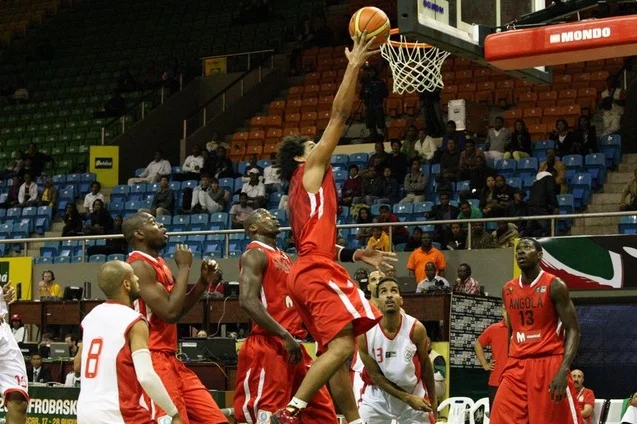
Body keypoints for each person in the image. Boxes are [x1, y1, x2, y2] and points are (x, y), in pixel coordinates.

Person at [272, 32, 391, 424]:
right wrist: (354, 64)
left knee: (337, 350)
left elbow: (316, 242)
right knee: (341, 349)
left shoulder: (300, 194)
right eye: (312, 144)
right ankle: (291, 411)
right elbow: (339, 116)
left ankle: (351, 420)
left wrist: (355, 253)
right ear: (301, 156)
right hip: (315, 271)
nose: (319, 145)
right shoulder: (310, 170)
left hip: (306, 269)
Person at [234, 209, 338, 424]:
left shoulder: (283, 256)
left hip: (294, 343)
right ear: (252, 227)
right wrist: (283, 335)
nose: (273, 217)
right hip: (270, 343)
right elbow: (247, 300)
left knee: (322, 414)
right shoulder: (254, 254)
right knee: (267, 416)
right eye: (265, 216)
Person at [123, 212, 228, 423]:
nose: (161, 225)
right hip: (152, 356)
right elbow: (169, 313)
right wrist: (184, 268)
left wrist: (201, 283)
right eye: (153, 222)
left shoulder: (158, 262)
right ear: (139, 233)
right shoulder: (138, 266)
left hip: (171, 357)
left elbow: (177, 310)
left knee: (216, 420)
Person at [75, 261, 184, 424]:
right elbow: (146, 376)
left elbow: (77, 366)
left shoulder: (90, 317)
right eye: (133, 276)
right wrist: (173, 412)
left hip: (85, 412)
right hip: (119, 412)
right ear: (126, 284)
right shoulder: (134, 320)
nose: (137, 279)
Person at [491, 238, 583, 423]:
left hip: (548, 362)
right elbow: (512, 329)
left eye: (527, 248)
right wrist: (510, 359)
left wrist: (563, 370)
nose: (521, 252)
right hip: (517, 365)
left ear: (540, 255)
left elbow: (573, 329)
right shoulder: (508, 288)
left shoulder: (555, 285)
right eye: (518, 249)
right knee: (500, 417)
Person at [357, 278, 437, 423]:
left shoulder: (416, 328)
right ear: (377, 301)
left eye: (394, 291)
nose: (389, 295)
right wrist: (407, 398)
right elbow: (375, 376)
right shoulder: (365, 333)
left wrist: (434, 404)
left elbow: (426, 367)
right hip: (377, 396)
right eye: (383, 291)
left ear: (401, 300)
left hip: (413, 391)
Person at [475, 305, 509, 408]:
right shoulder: (494, 329)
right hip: (496, 381)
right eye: (505, 310)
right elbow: (478, 344)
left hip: (516, 382)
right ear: (502, 312)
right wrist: (485, 364)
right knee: (495, 416)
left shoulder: (521, 329)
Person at [360, 66, 388, 140]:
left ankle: (386, 138)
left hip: (378, 106)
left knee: (381, 124)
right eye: (369, 71)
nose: (371, 73)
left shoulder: (380, 82)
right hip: (369, 107)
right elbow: (361, 95)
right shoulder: (366, 83)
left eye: (372, 71)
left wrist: (377, 93)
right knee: (371, 125)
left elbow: (386, 94)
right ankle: (373, 137)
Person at [427, 336, 447, 404]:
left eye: (428, 343)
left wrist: (427, 376)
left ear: (431, 345)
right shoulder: (418, 355)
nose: (425, 345)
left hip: (438, 385)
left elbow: (442, 375)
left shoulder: (437, 357)